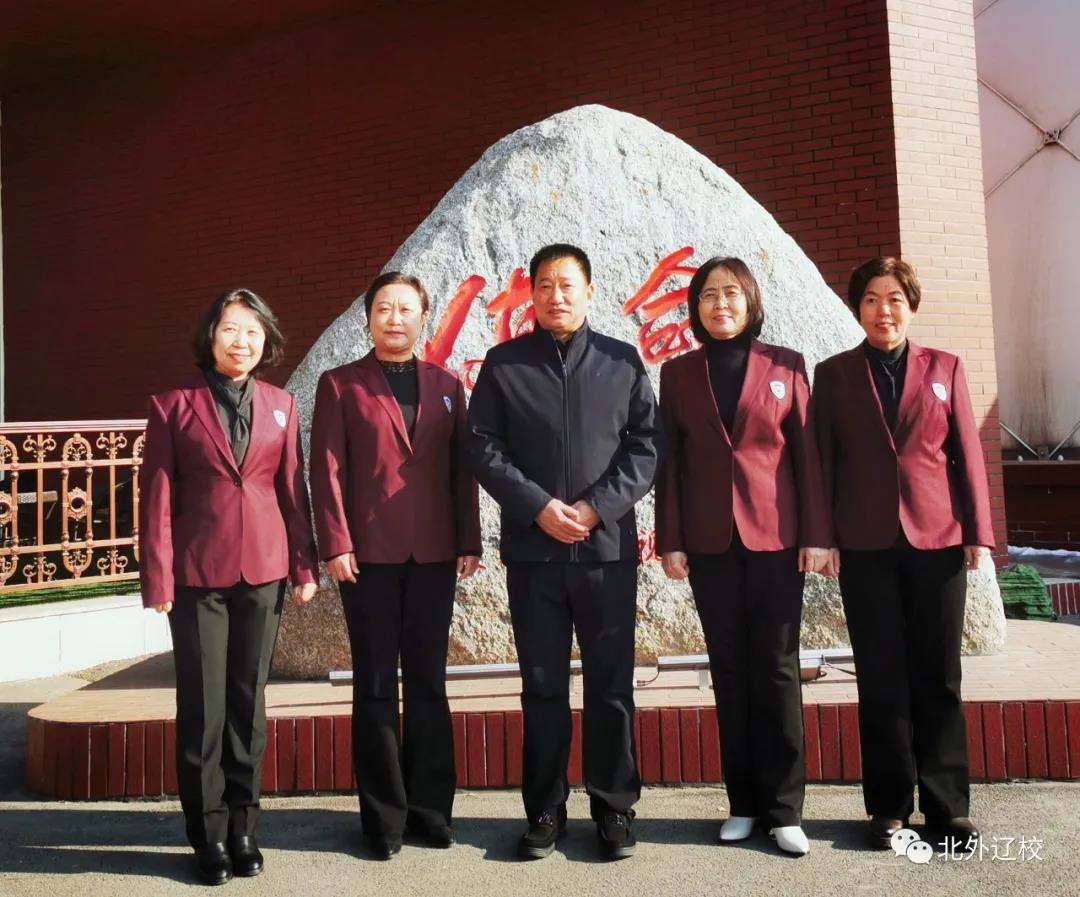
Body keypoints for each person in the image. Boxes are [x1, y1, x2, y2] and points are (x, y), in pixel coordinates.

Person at [467, 244, 661, 861]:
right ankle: (545, 808)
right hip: (535, 553)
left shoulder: (620, 361)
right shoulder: (505, 364)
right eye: (545, 284)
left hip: (606, 552)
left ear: (590, 292)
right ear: (531, 293)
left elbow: (646, 447)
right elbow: (483, 448)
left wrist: (598, 507)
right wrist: (538, 507)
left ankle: (614, 807)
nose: (556, 295)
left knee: (611, 684)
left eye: (568, 284)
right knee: (543, 685)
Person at [812, 257, 994, 849]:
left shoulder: (945, 367)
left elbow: (967, 454)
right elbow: (821, 462)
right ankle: (888, 806)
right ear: (857, 308)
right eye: (870, 299)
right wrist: (825, 536)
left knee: (939, 675)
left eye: (894, 299)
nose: (882, 311)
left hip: (937, 541)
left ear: (911, 306)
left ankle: (948, 806)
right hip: (865, 545)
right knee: (881, 676)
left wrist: (978, 532)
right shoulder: (834, 375)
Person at [140, 288, 318, 886]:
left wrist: (304, 565)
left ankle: (244, 827)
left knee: (249, 702)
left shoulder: (281, 405)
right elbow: (157, 498)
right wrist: (158, 576)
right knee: (203, 707)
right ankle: (208, 834)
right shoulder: (173, 406)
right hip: (196, 576)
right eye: (230, 329)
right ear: (210, 336)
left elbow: (292, 491)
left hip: (263, 572)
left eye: (252, 331)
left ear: (266, 341)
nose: (241, 341)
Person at [655, 256, 829, 856]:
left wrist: (816, 534)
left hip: (776, 540)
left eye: (731, 293)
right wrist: (671, 539)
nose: (720, 304)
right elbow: (670, 465)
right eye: (708, 295)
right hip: (710, 543)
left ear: (750, 301)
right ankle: (743, 805)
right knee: (728, 670)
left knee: (777, 669)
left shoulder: (786, 365)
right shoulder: (678, 373)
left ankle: (785, 809)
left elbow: (806, 455)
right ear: (695, 307)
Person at [309, 272, 481, 860]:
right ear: (369, 318)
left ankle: (431, 811)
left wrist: (468, 541)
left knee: (429, 682)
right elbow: (326, 468)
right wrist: (335, 543)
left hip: (434, 553)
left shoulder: (447, 386)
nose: (395, 318)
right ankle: (383, 819)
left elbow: (462, 472)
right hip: (367, 558)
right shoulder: (340, 384)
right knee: (376, 684)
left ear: (423, 317)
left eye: (406, 309)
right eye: (384, 308)